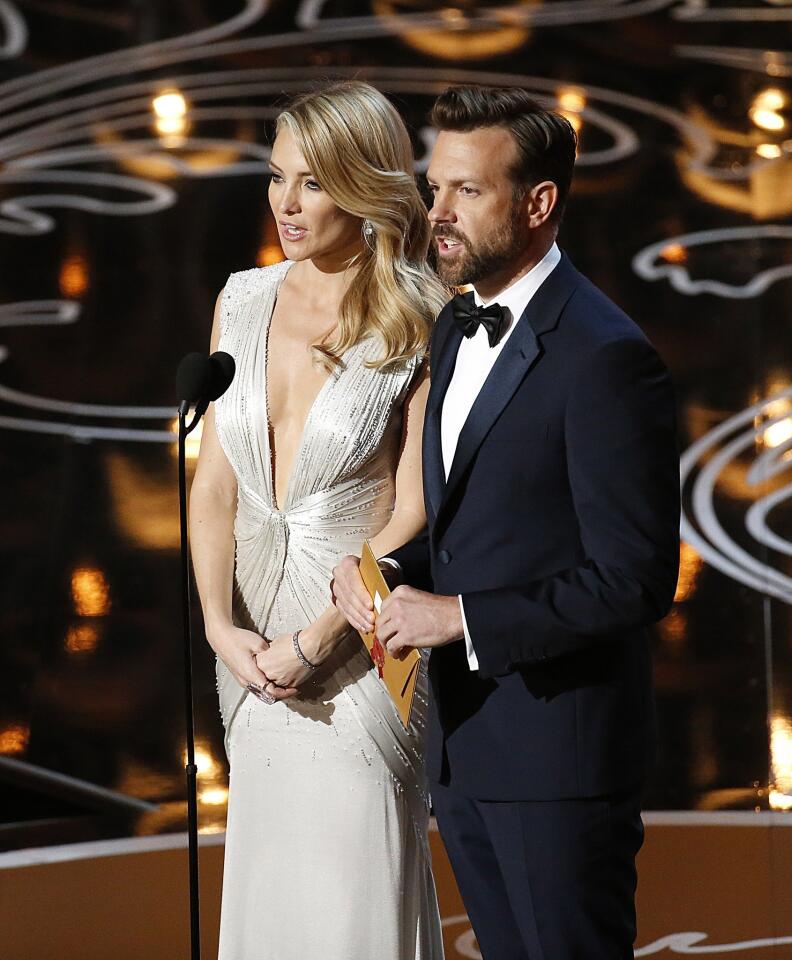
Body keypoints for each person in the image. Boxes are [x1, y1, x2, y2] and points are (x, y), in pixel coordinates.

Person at [332, 86, 680, 960]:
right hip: (467, 746)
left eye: (466, 193)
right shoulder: (455, 323)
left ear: (538, 203)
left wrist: (457, 617)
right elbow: (462, 522)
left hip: (558, 763)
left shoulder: (604, 358)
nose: (435, 214)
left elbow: (633, 579)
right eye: (434, 186)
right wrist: (379, 570)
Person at [189, 81, 448, 960]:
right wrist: (222, 629)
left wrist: (317, 640)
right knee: (273, 898)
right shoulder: (241, 298)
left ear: (365, 186)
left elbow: (411, 512)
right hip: (252, 654)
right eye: (275, 178)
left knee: (351, 903)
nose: (285, 205)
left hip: (359, 657)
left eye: (312, 183)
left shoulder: (423, 314)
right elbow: (216, 482)